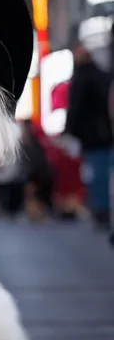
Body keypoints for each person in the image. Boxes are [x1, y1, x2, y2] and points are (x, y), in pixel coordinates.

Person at [65, 42, 113, 228]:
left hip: (91, 136)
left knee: (96, 173)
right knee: (104, 171)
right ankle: (104, 208)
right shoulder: (103, 76)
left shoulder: (81, 79)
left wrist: (69, 130)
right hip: (106, 133)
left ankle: (100, 210)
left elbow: (75, 108)